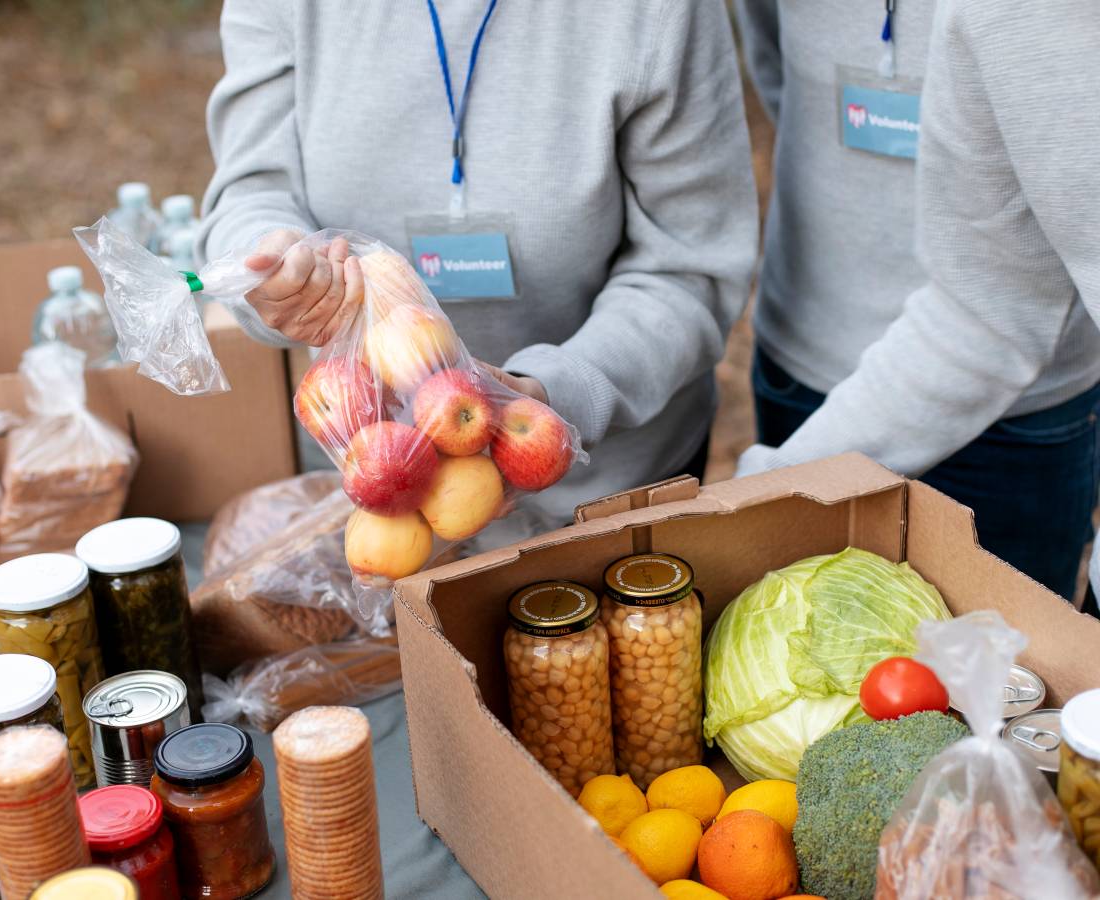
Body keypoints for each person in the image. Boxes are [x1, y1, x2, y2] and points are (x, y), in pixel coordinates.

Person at [197, 0, 759, 526]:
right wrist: (269, 267)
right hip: (380, 476)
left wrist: (553, 394)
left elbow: (688, 268)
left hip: (608, 487)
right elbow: (250, 188)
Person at [733, 0, 1100, 600]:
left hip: (1025, 410)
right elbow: (992, 301)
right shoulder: (998, 17)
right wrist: (775, 487)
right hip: (823, 358)